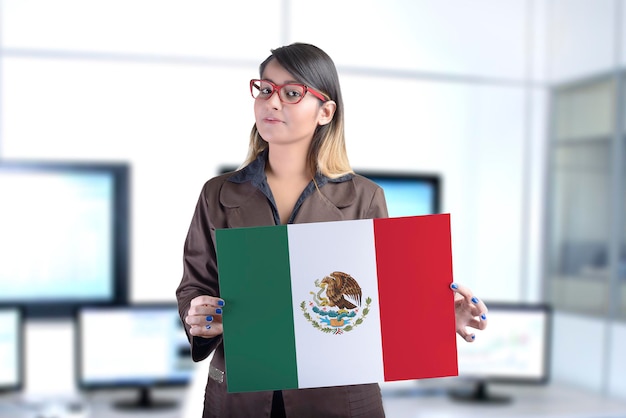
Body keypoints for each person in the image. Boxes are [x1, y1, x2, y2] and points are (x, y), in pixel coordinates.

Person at [176, 42, 488, 418]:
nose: (272, 103)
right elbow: (195, 286)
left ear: (325, 111)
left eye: (292, 93)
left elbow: (384, 303)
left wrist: (435, 320)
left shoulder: (365, 197)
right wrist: (199, 316)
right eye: (265, 89)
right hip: (239, 398)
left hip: (336, 401)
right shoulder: (219, 193)